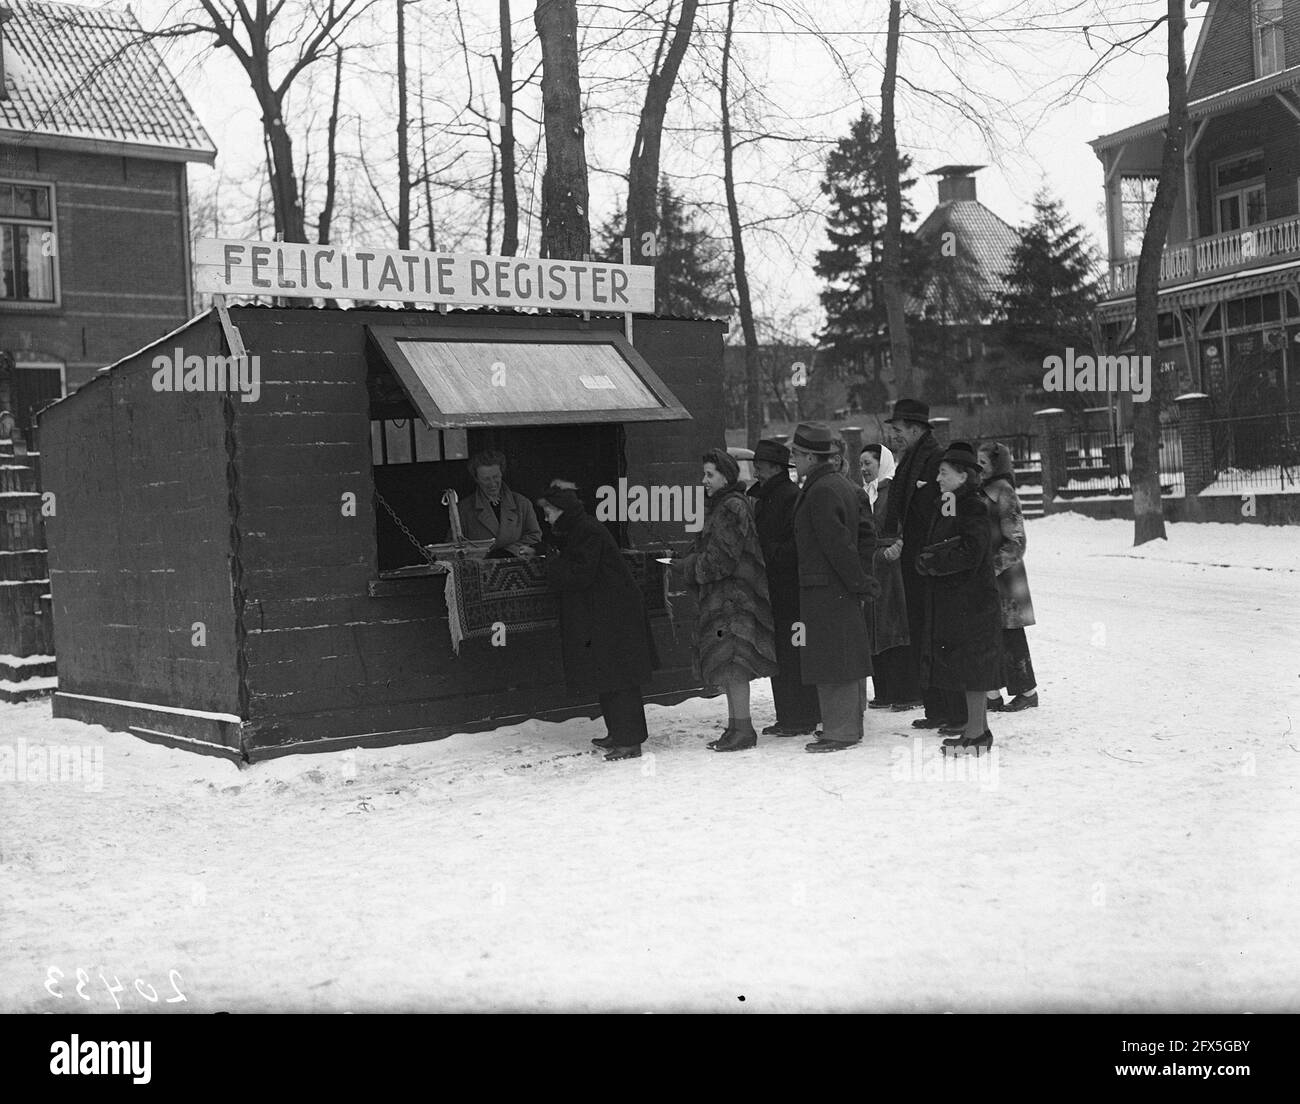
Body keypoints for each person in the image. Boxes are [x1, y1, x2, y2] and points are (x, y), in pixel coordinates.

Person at [538, 482, 658, 762]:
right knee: (609, 676)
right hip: (608, 614)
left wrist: (553, 563)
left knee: (619, 679)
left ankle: (630, 742)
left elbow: (580, 573)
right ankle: (618, 733)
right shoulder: (580, 528)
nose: (546, 518)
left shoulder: (586, 531)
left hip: (614, 616)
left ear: (562, 511)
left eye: (549, 512)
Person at [674, 448, 778, 753]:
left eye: (710, 474)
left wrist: (688, 567)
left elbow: (721, 559)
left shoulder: (731, 507)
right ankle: (735, 727)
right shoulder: (723, 505)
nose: (704, 480)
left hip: (734, 602)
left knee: (734, 666)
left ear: (726, 476)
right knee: (728, 666)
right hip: (726, 600)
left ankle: (743, 729)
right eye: (704, 474)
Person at [789, 423, 875, 752]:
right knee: (845, 657)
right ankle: (848, 726)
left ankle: (840, 731)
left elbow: (836, 545)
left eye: (796, 454)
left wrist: (858, 583)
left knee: (832, 660)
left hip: (825, 588)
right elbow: (864, 537)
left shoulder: (821, 489)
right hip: (837, 586)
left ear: (811, 456)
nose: (793, 459)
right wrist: (862, 582)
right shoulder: (839, 484)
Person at [879, 398, 963, 730]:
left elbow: (946, 512)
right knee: (920, 633)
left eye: (898, 430)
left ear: (916, 429)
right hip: (913, 562)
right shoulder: (908, 460)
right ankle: (935, 709)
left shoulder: (936, 460)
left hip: (932, 562)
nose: (894, 436)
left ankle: (950, 709)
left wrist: (934, 552)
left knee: (936, 635)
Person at [914, 442, 1002, 755]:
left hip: (972, 602)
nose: (938, 478)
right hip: (960, 601)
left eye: (943, 472)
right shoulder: (951, 501)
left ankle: (977, 736)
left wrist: (934, 563)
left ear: (963, 476)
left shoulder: (971, 504)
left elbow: (972, 551)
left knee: (974, 668)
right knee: (968, 667)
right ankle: (974, 731)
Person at [747, 438, 820, 736]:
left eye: (760, 468)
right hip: (779, 590)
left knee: (793, 654)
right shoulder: (768, 495)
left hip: (788, 590)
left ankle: (800, 717)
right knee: (786, 653)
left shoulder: (788, 496)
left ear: (775, 468)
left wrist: (771, 552)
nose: (756, 473)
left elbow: (798, 542)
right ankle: (790, 715)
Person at [978, 442, 1039, 711]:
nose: (977, 468)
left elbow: (1016, 540)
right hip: (989, 578)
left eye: (983, 463)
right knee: (990, 635)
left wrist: (991, 568)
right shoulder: (981, 492)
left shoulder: (1004, 493)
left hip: (1005, 578)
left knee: (1011, 635)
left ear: (997, 465)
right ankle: (992, 694)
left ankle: (1027, 691)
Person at [862, 443, 916, 709]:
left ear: (881, 463)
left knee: (895, 626)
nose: (863, 469)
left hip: (891, 567)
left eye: (868, 464)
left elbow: (905, 522)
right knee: (875, 626)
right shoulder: (866, 494)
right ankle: (883, 690)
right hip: (872, 564)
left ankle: (905, 692)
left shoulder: (892, 491)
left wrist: (899, 545)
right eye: (860, 464)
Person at [458, 449, 542, 557]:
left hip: (516, 567)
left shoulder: (522, 503)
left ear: (502, 474)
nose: (492, 483)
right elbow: (455, 544)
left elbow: (534, 536)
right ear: (476, 479)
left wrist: (510, 551)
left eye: (496, 477)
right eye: (486, 479)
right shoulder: (464, 508)